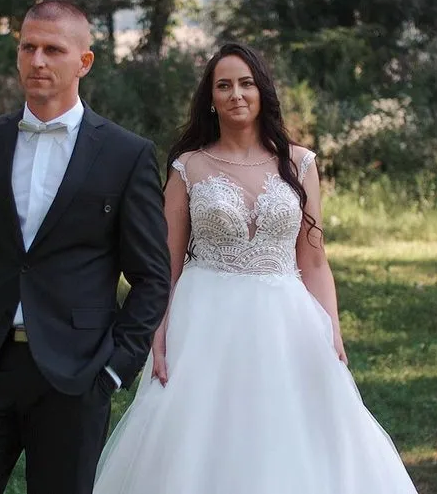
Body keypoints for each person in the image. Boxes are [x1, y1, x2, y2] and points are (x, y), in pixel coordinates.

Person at [92, 42, 419, 493]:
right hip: (204, 323)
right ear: (211, 98)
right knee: (200, 441)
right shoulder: (188, 167)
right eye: (223, 86)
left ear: (262, 91)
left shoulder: (299, 163)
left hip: (286, 321)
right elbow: (166, 265)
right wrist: (158, 334)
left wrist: (332, 331)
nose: (236, 94)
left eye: (246, 83)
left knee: (295, 433)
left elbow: (314, 260)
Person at [0, 0, 170, 494]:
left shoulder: (126, 155)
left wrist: (114, 369)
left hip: (76, 375)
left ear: (84, 62)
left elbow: (152, 277)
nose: (37, 60)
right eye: (28, 47)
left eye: (53, 50)